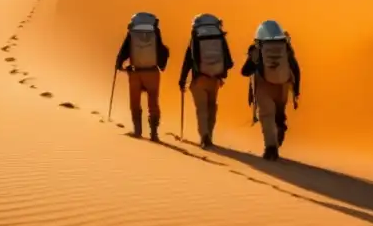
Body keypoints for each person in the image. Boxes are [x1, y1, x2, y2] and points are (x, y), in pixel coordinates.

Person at [241, 20, 301, 161]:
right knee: (278, 115)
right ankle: (279, 131)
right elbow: (295, 69)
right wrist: (296, 90)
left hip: (263, 87)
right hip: (283, 87)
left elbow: (245, 71)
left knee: (267, 116)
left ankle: (271, 148)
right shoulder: (285, 48)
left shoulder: (257, 49)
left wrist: (254, 61)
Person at [178, 13, 234, 148]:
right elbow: (229, 62)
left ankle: (204, 136)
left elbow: (188, 61)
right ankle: (209, 135)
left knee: (202, 109)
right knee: (211, 108)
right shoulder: (220, 38)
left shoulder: (195, 39)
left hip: (199, 79)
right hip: (214, 80)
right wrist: (220, 72)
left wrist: (182, 80)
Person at [115, 12, 170, 142]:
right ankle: (154, 134)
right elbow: (163, 50)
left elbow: (124, 51)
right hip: (152, 73)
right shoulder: (155, 33)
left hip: (135, 72)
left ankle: (137, 130)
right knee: (153, 102)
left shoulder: (132, 33)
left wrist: (119, 65)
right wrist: (162, 66)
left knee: (135, 102)